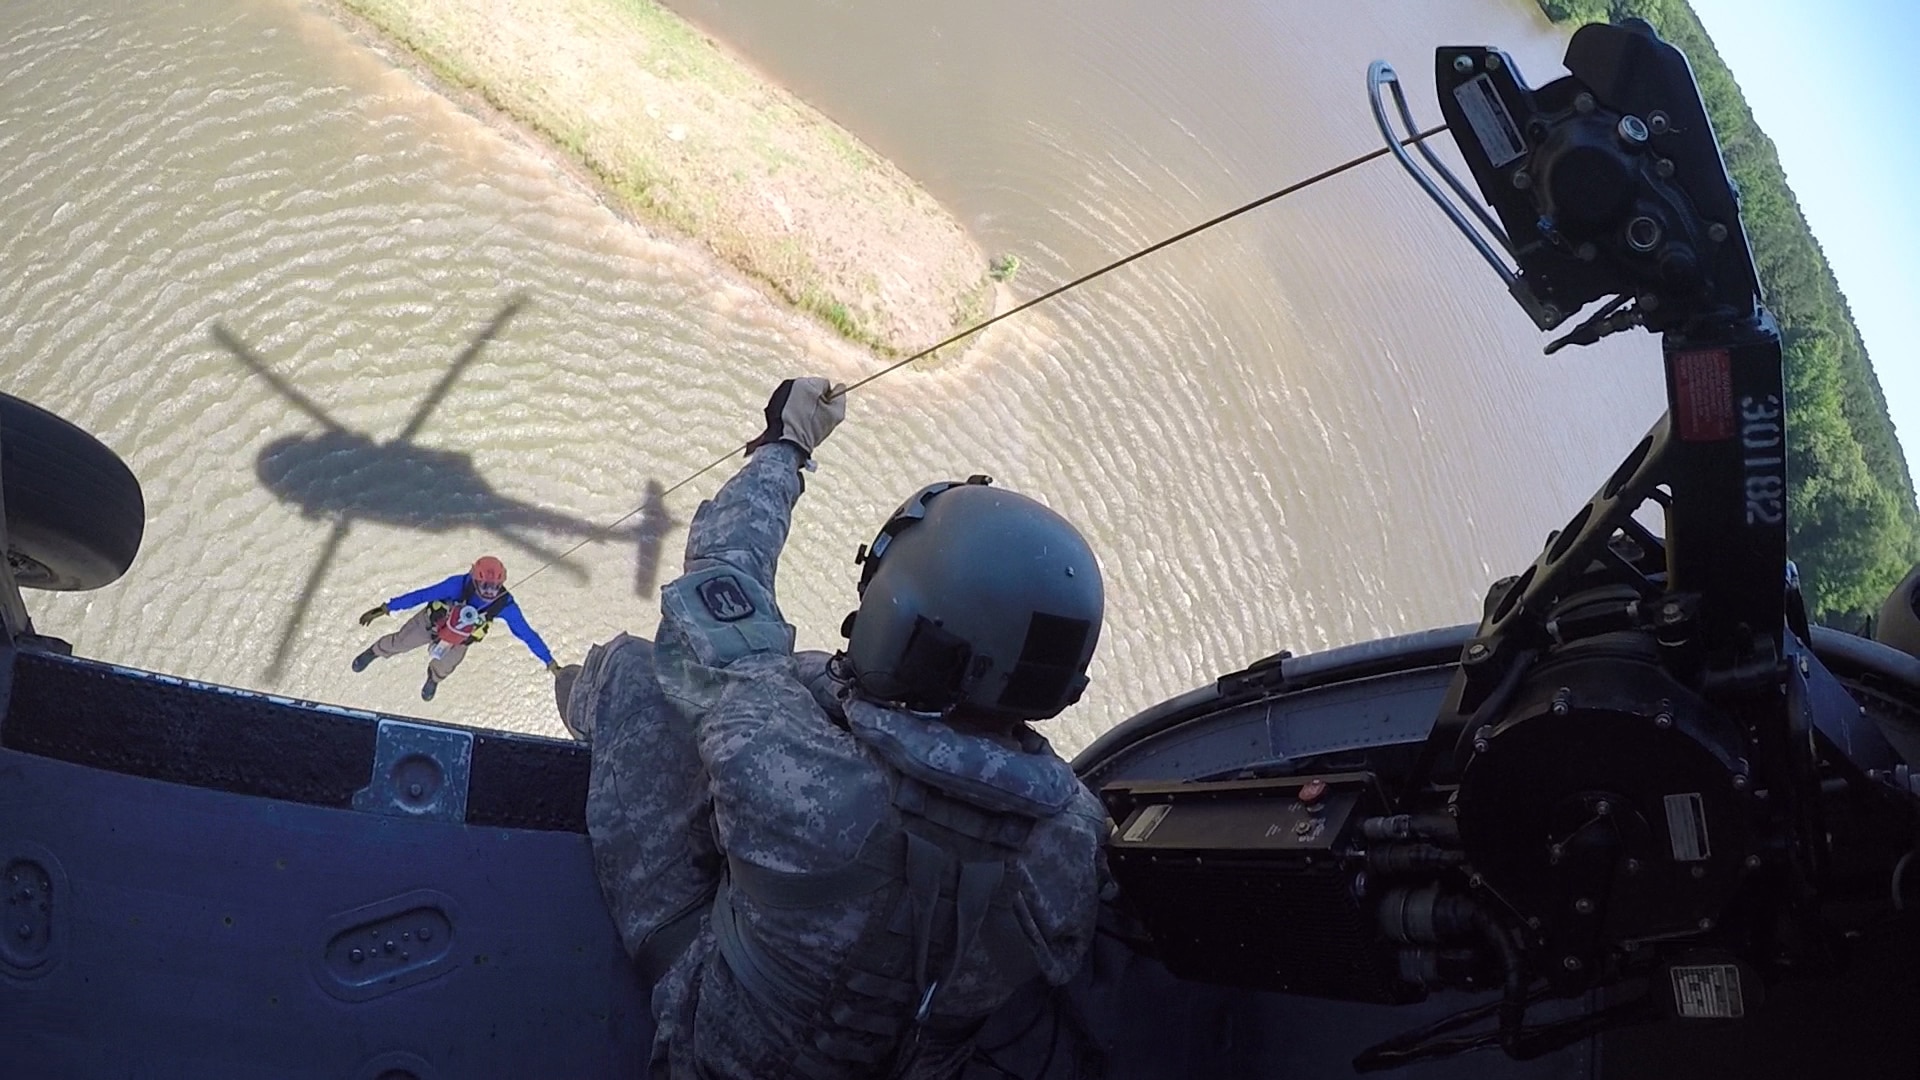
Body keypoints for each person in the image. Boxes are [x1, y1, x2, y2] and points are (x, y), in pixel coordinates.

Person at [571, 376, 1110, 1079]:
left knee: (635, 675)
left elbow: (718, 590)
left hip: (714, 1051)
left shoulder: (780, 755)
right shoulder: (1079, 842)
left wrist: (786, 446)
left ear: (898, 623)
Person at [352, 554, 559, 700]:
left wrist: (549, 661)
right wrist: (386, 607)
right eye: (485, 585)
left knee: (446, 666)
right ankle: (374, 652)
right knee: (400, 642)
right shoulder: (457, 585)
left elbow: (527, 634)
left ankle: (433, 678)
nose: (489, 591)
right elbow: (422, 595)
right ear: (475, 579)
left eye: (494, 587)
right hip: (430, 623)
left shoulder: (504, 604)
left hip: (459, 641)